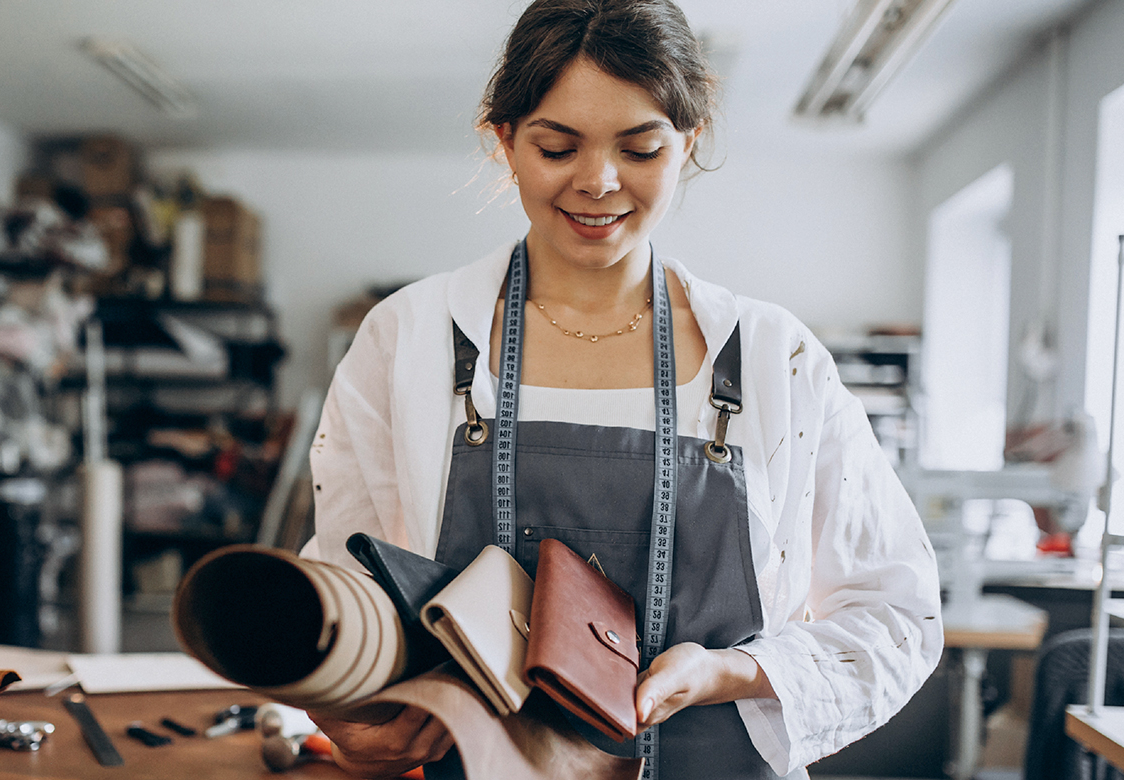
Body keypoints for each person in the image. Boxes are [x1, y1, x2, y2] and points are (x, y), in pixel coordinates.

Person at [301, 0, 943, 777]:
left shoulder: (774, 355)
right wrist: (347, 701)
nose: (598, 182)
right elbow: (346, 581)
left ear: (687, 144)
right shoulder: (410, 336)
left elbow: (896, 613)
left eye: (639, 148)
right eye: (556, 146)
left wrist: (729, 672)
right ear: (503, 141)